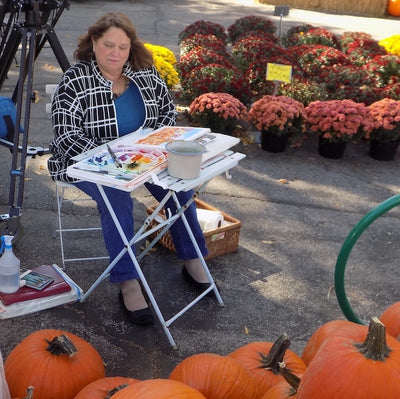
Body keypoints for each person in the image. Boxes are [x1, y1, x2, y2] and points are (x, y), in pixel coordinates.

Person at [47, 12, 210, 326]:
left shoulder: (145, 73)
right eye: (108, 45)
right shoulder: (75, 80)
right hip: (88, 164)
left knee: (178, 184)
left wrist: (151, 147)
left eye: (123, 47)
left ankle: (192, 258)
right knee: (117, 198)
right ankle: (127, 280)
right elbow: (67, 137)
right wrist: (113, 163)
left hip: (144, 159)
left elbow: (166, 112)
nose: (116, 54)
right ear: (94, 42)